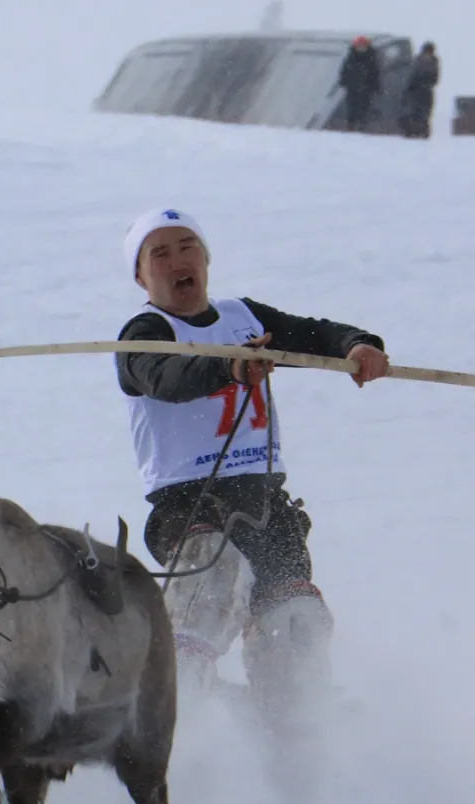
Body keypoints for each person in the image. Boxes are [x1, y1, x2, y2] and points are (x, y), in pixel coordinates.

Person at [114, 209, 390, 708]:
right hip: (191, 506)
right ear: (140, 275)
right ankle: (177, 707)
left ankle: (295, 723)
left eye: (186, 246)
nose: (178, 260)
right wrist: (231, 368)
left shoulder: (242, 317)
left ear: (205, 258)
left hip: (265, 505)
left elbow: (312, 334)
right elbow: (167, 381)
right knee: (210, 580)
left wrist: (358, 345)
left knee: (297, 621)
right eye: (160, 253)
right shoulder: (143, 333)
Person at [337, 36, 382, 133]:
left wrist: (376, 86)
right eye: (359, 46)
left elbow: (375, 73)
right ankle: (351, 126)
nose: (361, 48)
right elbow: (344, 70)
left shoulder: (371, 58)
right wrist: (343, 81)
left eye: (363, 46)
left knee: (364, 107)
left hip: (366, 88)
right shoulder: (351, 57)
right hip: (352, 87)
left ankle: (362, 125)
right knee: (351, 107)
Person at [400, 42, 440, 138]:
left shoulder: (433, 62)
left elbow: (435, 78)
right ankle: (411, 131)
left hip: (425, 91)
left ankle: (422, 132)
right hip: (415, 90)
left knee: (424, 114)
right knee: (413, 112)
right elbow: (412, 76)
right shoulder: (419, 61)